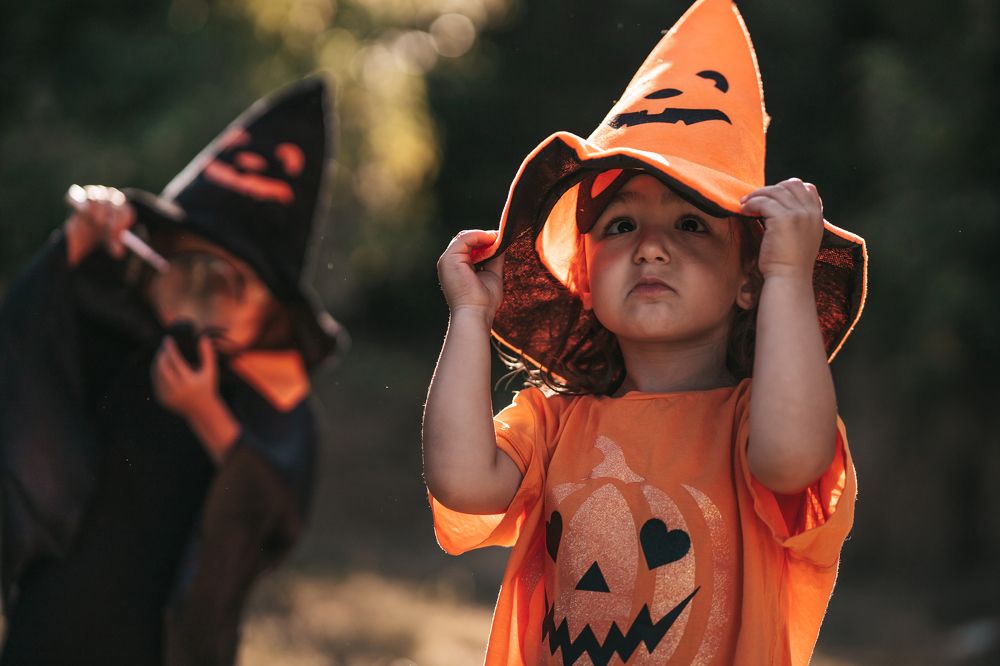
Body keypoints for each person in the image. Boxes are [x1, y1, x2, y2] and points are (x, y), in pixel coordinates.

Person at [423, 0, 868, 664]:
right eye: (621, 225)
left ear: (748, 280)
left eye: (691, 225)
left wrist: (787, 275)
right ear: (584, 275)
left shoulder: (753, 426)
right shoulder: (552, 425)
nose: (651, 247)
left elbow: (791, 461)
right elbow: (460, 482)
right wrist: (468, 317)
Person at [0, 76, 348, 665]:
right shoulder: (115, 336)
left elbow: (273, 515)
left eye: (225, 285)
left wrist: (206, 414)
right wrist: (75, 245)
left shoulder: (275, 402)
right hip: (54, 623)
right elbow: (24, 358)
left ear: (273, 313)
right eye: (185, 270)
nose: (196, 301)